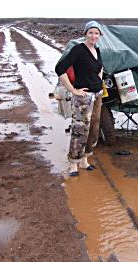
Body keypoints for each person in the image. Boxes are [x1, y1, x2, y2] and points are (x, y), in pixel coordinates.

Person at [55, 21, 104, 176]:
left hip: (97, 95)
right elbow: (60, 69)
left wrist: (99, 82)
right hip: (84, 97)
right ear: (85, 34)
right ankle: (74, 163)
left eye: (96, 33)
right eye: (91, 33)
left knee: (93, 129)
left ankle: (84, 160)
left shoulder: (97, 50)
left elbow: (99, 69)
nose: (94, 36)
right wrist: (73, 90)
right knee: (80, 130)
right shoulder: (78, 50)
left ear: (100, 35)